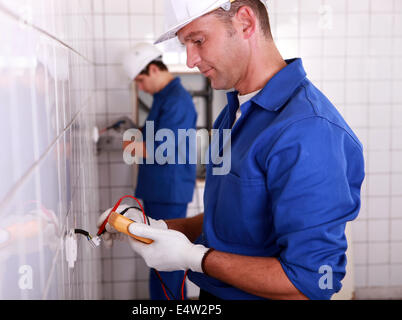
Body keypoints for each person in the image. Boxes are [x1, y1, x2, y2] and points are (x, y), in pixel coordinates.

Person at [99, 0, 365, 300]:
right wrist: (156, 227)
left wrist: (196, 259)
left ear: (245, 22)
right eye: (186, 45)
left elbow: (311, 282)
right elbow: (233, 216)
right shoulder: (234, 113)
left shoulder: (308, 131)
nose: (189, 61)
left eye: (198, 40)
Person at [98, 43, 198, 300]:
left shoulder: (177, 100)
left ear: (154, 69)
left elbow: (160, 149)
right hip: (160, 189)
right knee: (157, 258)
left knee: (166, 262)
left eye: (141, 81)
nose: (140, 88)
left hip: (169, 190)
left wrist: (122, 144)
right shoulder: (164, 97)